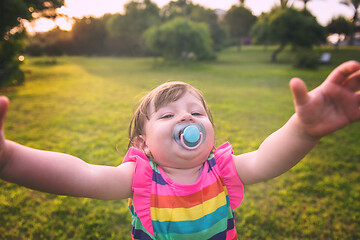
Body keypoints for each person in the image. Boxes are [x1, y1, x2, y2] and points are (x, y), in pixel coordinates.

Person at [0, 61, 359, 239]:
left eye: (197, 112)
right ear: (142, 144)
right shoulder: (140, 177)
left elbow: (268, 159)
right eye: (168, 114)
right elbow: (80, 175)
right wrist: (10, 159)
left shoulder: (221, 169)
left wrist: (305, 130)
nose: (187, 117)